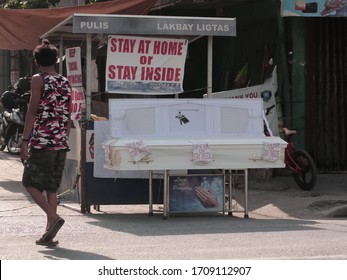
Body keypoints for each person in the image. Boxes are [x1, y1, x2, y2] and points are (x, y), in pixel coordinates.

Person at [20, 39, 72, 246]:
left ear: (36, 61)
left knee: (29, 183)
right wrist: (63, 136)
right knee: (51, 188)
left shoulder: (38, 79)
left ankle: (54, 217)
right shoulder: (64, 81)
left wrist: (25, 140)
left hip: (43, 140)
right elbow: (68, 113)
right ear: (56, 60)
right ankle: (49, 233)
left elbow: (33, 110)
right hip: (61, 141)